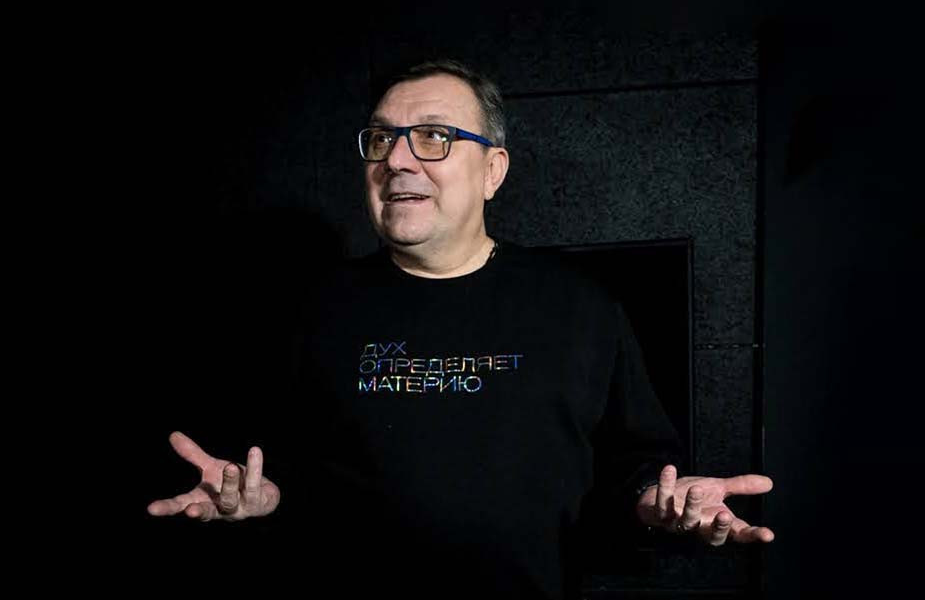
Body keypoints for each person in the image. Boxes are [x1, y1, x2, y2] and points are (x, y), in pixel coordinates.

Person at [147, 60, 774, 599]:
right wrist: (259, 498)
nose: (396, 160)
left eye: (433, 137)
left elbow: (634, 465)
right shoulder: (309, 309)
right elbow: (273, 465)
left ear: (493, 170)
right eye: (382, 139)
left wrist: (660, 499)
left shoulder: (580, 307)